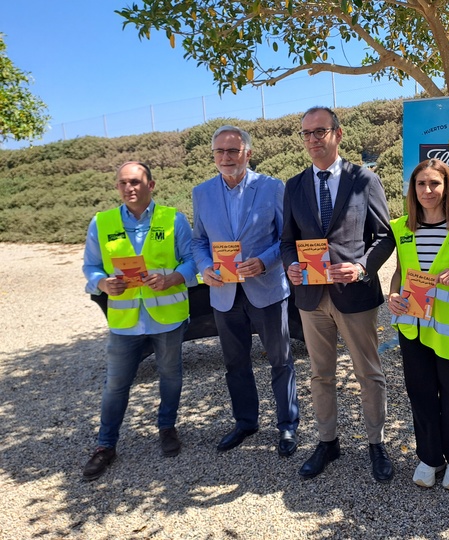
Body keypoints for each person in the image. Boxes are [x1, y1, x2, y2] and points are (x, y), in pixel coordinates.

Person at [280, 106, 395, 482]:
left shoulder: (364, 179)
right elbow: (286, 241)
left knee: (368, 373)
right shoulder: (294, 185)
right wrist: (290, 267)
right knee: (320, 375)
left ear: (338, 134)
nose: (313, 139)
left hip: (354, 295)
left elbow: (384, 237)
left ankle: (376, 443)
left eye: (320, 131)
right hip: (311, 299)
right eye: (307, 133)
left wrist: (362, 267)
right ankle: (328, 441)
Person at [82, 161, 197, 481]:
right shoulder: (101, 223)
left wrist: (174, 278)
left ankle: (167, 428)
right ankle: (105, 445)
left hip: (168, 318)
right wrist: (102, 284)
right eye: (122, 183)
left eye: (135, 181)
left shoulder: (173, 219)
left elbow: (192, 261)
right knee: (115, 386)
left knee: (171, 376)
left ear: (151, 184)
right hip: (125, 322)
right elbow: (90, 268)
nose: (129, 187)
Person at [192, 126, 300, 457]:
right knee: (235, 362)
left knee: (280, 359)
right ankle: (245, 422)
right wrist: (204, 266)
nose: (225, 158)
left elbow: (286, 238)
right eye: (219, 152)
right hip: (224, 293)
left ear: (247, 154)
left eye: (232, 151)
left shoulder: (271, 187)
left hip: (265, 288)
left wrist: (265, 262)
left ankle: (288, 426)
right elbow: (199, 241)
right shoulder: (201, 192)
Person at [387, 159, 449, 491]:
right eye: (420, 184)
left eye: (434, 184)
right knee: (421, 393)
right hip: (413, 325)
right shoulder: (401, 227)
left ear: (447, 187)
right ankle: (430, 457)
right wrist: (392, 294)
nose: (427, 191)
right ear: (412, 190)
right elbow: (401, 271)